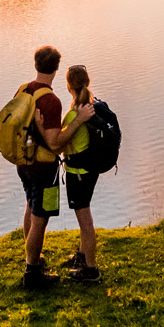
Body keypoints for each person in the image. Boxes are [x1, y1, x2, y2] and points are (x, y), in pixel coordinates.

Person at [15, 46, 90, 289]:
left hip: (23, 162)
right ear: (57, 69)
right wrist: (78, 120)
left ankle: (33, 259)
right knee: (41, 218)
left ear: (36, 64)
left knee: (30, 207)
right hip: (43, 168)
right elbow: (55, 143)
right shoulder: (51, 101)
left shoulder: (24, 89)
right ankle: (32, 271)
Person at [58, 65, 103, 282]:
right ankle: (83, 257)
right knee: (85, 216)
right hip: (90, 171)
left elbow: (58, 144)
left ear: (69, 87)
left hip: (78, 174)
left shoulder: (74, 115)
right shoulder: (90, 107)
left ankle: (91, 270)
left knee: (85, 221)